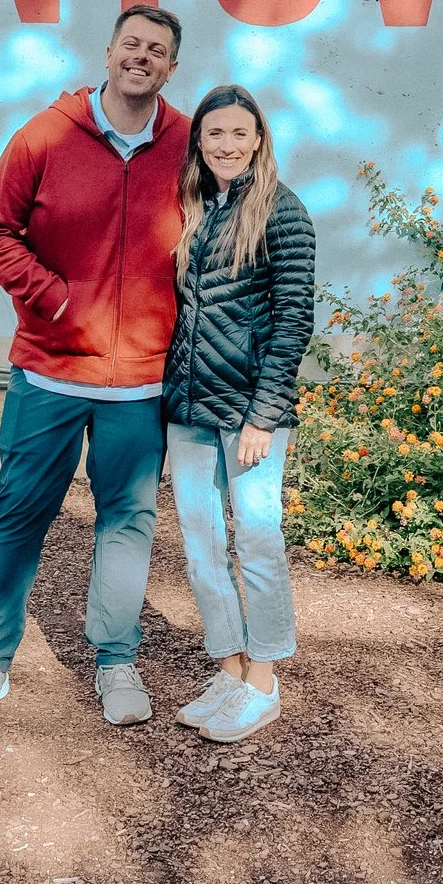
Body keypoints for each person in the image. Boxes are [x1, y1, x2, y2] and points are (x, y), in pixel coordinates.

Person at [0, 4, 191, 733]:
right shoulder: (46, 135)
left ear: (171, 68)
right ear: (109, 52)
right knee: (19, 514)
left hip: (140, 380)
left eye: (157, 50)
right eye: (131, 44)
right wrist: (54, 298)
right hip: (50, 372)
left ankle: (116, 659)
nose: (141, 56)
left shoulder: (188, 144)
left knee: (128, 522)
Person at [162, 83, 314, 744]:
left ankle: (264, 680)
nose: (226, 144)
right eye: (215, 133)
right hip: (190, 408)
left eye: (238, 133)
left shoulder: (283, 211)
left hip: (250, 413)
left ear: (258, 140)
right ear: (199, 141)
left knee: (256, 540)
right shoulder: (196, 207)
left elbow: (294, 321)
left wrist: (264, 416)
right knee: (201, 546)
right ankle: (230, 667)